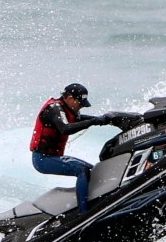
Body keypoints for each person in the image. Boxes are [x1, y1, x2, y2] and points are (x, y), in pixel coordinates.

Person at [30, 83, 115, 214]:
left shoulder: (67, 109)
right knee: (82, 170)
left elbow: (81, 119)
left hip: (53, 157)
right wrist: (93, 122)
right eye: (79, 103)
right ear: (69, 98)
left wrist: (105, 120)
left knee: (93, 170)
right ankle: (84, 213)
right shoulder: (54, 109)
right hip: (42, 159)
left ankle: (95, 203)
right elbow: (65, 128)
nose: (80, 106)